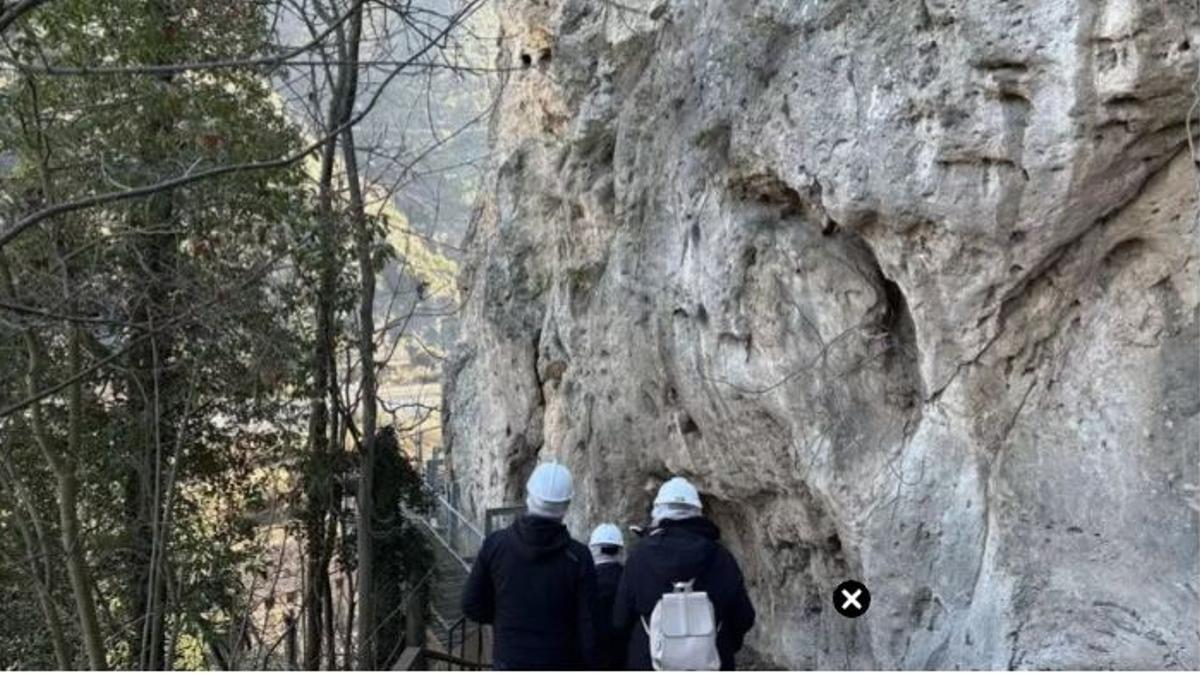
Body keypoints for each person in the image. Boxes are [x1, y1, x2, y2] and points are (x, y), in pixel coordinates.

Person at [461, 462, 598, 670]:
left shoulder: (496, 545)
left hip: (509, 660)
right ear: (566, 506)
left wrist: (505, 618)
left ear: (529, 496)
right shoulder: (579, 557)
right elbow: (588, 627)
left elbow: (471, 605)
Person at [613, 477, 756, 670]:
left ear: (658, 512)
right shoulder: (722, 557)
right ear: (697, 512)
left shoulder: (640, 557)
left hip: (650, 662)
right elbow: (744, 616)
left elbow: (620, 619)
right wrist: (722, 644)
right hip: (711, 663)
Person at [589, 523, 629, 670]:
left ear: (592, 549)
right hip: (624, 657)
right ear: (621, 550)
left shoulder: (584, 581)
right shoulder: (629, 579)